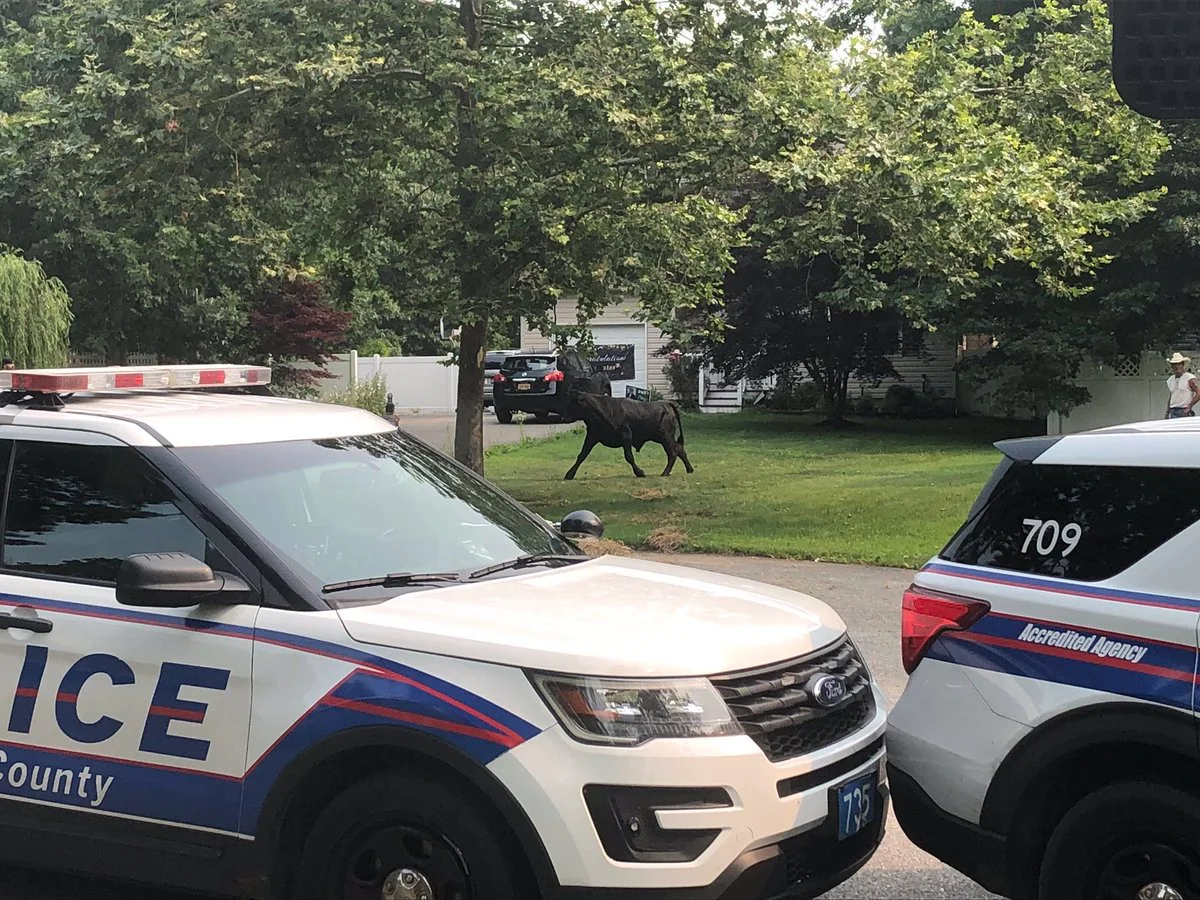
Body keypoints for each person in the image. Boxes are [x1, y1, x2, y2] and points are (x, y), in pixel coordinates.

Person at [1165, 352, 1200, 419]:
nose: (1177, 366)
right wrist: (1167, 411)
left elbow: (1198, 392)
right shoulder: (1171, 380)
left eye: (1179, 364)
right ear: (1172, 366)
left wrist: (1189, 406)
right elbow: (1172, 395)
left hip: (1184, 409)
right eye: (1174, 364)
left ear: (1183, 365)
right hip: (1173, 409)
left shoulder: (1189, 378)